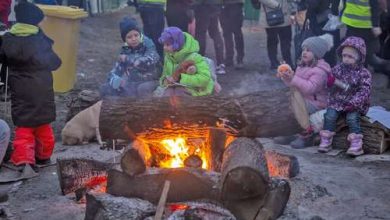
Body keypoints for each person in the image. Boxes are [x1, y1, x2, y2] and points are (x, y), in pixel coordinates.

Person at [0, 1, 61, 168]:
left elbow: (2, 59)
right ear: (34, 21)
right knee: (43, 125)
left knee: (24, 127)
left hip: (20, 91)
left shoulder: (7, 39)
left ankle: (23, 160)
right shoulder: (39, 40)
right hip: (41, 90)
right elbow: (55, 63)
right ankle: (43, 156)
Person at [318, 36, 372, 156]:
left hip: (353, 104)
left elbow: (365, 90)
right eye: (344, 56)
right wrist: (329, 83)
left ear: (359, 58)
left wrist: (354, 103)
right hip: (337, 101)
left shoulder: (364, 73)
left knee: (352, 119)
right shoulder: (337, 69)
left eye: (350, 56)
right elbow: (328, 87)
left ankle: (356, 143)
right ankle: (326, 140)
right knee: (330, 116)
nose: (346, 59)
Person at [278, 34, 332, 148]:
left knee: (296, 107)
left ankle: (306, 136)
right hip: (302, 99)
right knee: (287, 103)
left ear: (317, 54)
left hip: (317, 104)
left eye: (309, 50)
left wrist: (293, 78)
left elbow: (310, 88)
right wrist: (286, 78)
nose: (304, 52)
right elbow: (294, 85)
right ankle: (290, 132)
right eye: (303, 49)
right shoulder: (301, 67)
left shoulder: (320, 71)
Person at [100, 17, 161, 98]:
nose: (134, 39)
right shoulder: (125, 51)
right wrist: (113, 79)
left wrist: (129, 60)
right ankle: (117, 108)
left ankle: (147, 109)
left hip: (152, 80)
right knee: (106, 88)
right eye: (129, 37)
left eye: (136, 35)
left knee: (142, 89)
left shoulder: (148, 47)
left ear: (140, 34)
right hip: (133, 82)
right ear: (125, 40)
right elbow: (117, 69)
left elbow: (150, 60)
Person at [157, 27, 214, 97]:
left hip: (196, 90)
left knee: (179, 92)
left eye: (168, 45)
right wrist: (165, 81)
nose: (164, 47)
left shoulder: (194, 57)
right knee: (167, 93)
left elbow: (205, 78)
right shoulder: (168, 57)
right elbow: (164, 75)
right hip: (174, 88)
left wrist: (180, 78)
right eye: (164, 44)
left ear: (177, 44)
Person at [253, 0, 295, 69]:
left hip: (285, 14)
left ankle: (288, 61)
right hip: (271, 14)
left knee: (286, 41)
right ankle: (274, 62)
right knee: (272, 41)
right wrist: (276, 5)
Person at [341, 0, 381, 67]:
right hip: (362, 24)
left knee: (354, 48)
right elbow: (375, 7)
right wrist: (375, 25)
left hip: (354, 22)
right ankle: (359, 69)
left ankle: (357, 69)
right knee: (361, 49)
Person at [193, 0, 226, 74]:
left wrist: (193, 5)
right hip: (216, 5)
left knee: (200, 33)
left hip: (202, 5)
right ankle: (221, 63)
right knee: (215, 32)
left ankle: (199, 63)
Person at [220, 0, 246, 68]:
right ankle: (229, 58)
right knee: (227, 33)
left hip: (236, 4)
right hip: (223, 5)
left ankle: (239, 59)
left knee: (236, 32)